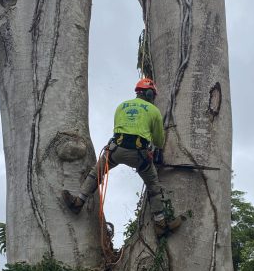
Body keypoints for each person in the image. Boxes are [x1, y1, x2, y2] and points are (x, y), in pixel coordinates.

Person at [62, 78, 182, 236]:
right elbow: (159, 141)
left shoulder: (121, 107)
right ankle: (160, 223)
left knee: (96, 172)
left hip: (115, 151)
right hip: (139, 155)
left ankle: (79, 201)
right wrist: (154, 149)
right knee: (153, 185)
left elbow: (119, 129)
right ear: (149, 94)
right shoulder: (154, 111)